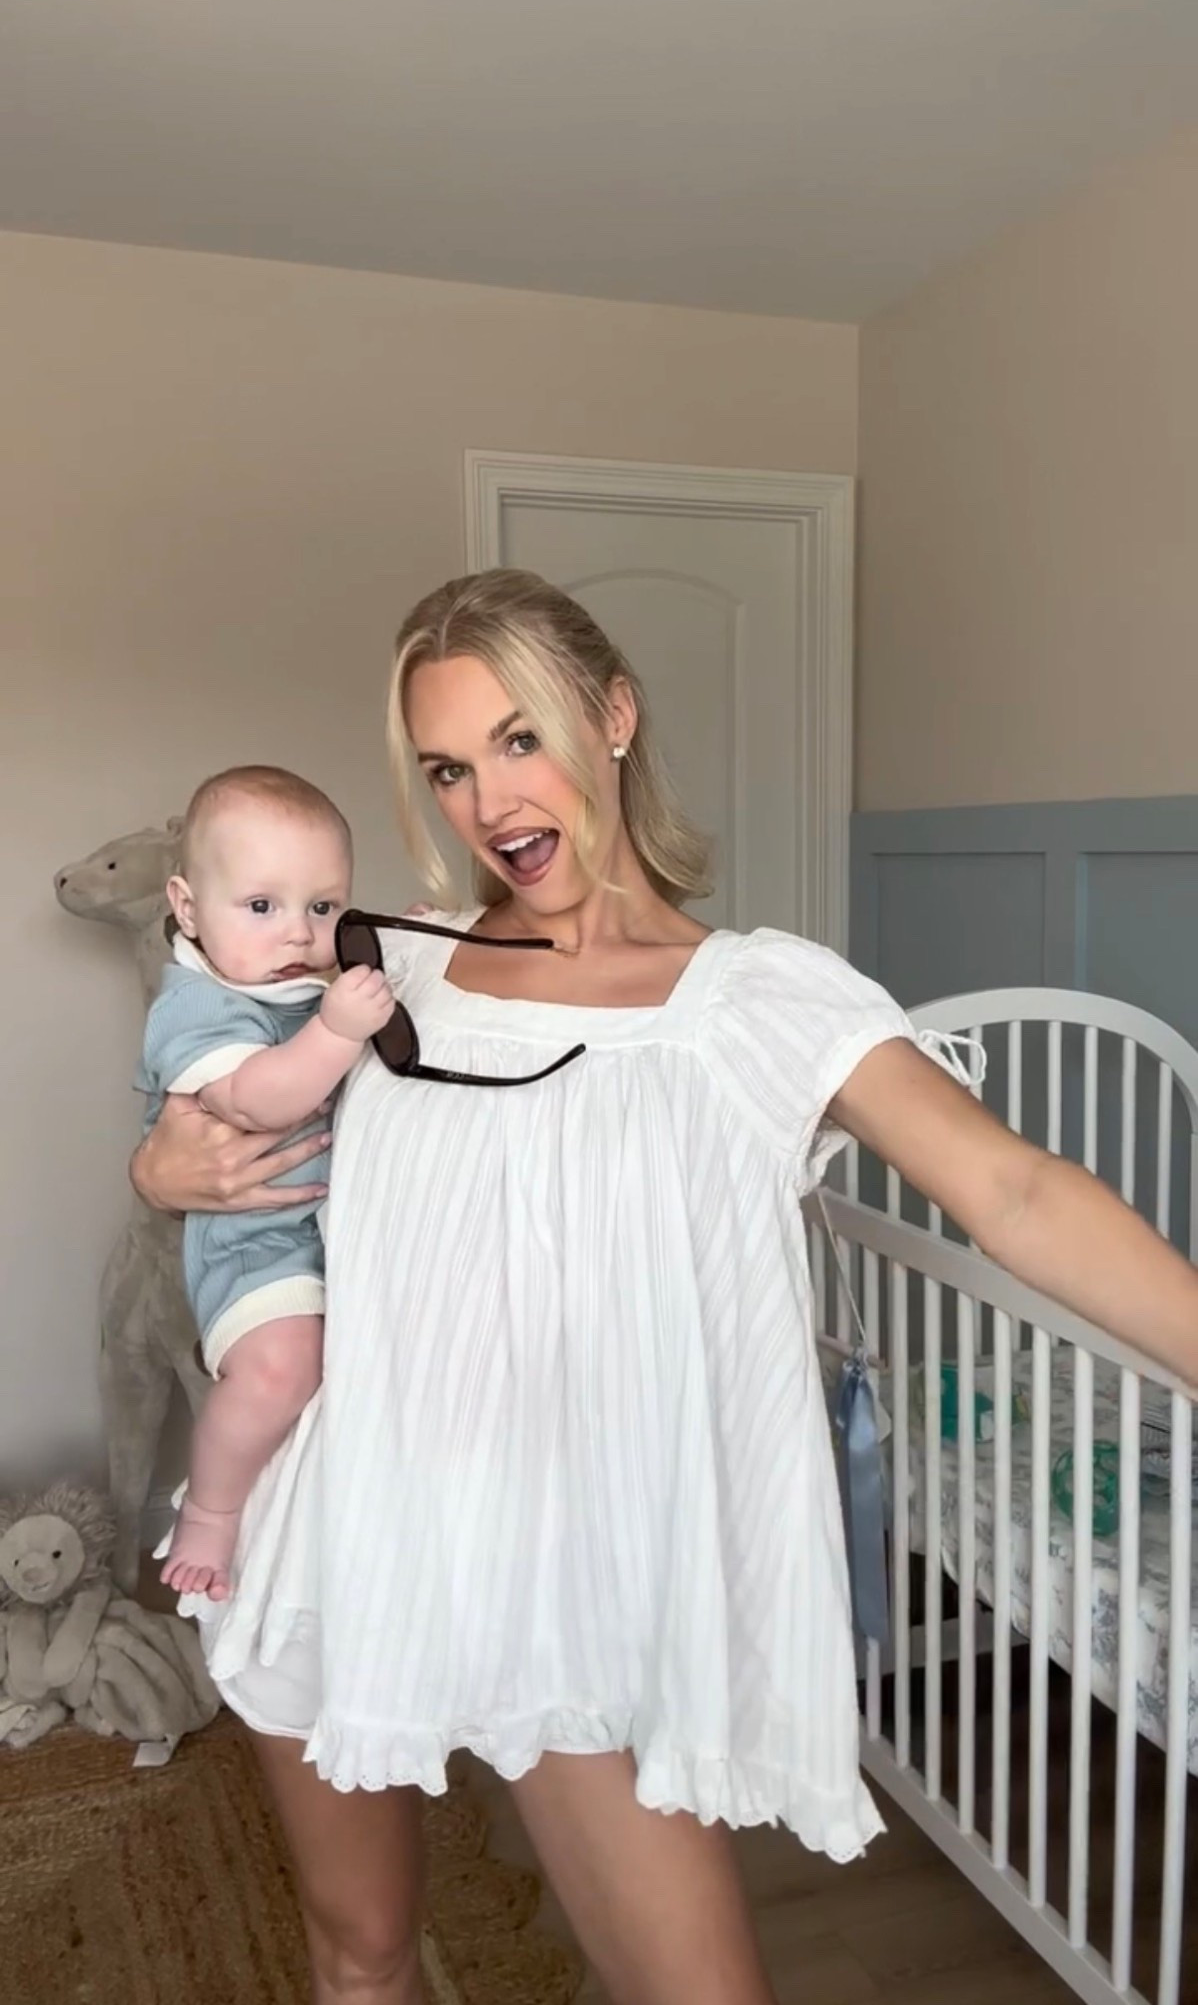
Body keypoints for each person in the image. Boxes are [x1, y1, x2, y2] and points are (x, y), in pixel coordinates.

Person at [132, 571, 1198, 2005]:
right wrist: (162, 1169)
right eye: (446, 768)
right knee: (364, 1957)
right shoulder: (394, 963)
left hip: (571, 1578)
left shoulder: (757, 999)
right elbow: (207, 1106)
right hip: (346, 1516)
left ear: (615, 715)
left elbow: (1011, 1192)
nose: (489, 801)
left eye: (521, 738)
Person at [138, 765, 393, 1600]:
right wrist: (337, 1031)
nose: (297, 935)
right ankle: (210, 1512)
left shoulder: (300, 982)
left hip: (325, 1239)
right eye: (261, 906)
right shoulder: (198, 1006)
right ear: (187, 909)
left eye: (323, 907)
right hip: (255, 1249)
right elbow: (256, 1101)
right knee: (281, 1369)